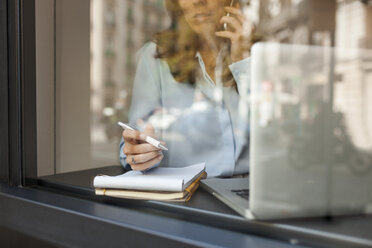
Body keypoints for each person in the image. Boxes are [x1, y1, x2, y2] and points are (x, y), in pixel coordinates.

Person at [120, 0, 254, 178]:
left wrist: (244, 64)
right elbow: (134, 141)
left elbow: (278, 135)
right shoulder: (154, 58)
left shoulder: (257, 54)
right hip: (186, 195)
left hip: (252, 191)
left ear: (233, 3)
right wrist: (137, 152)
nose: (198, 1)